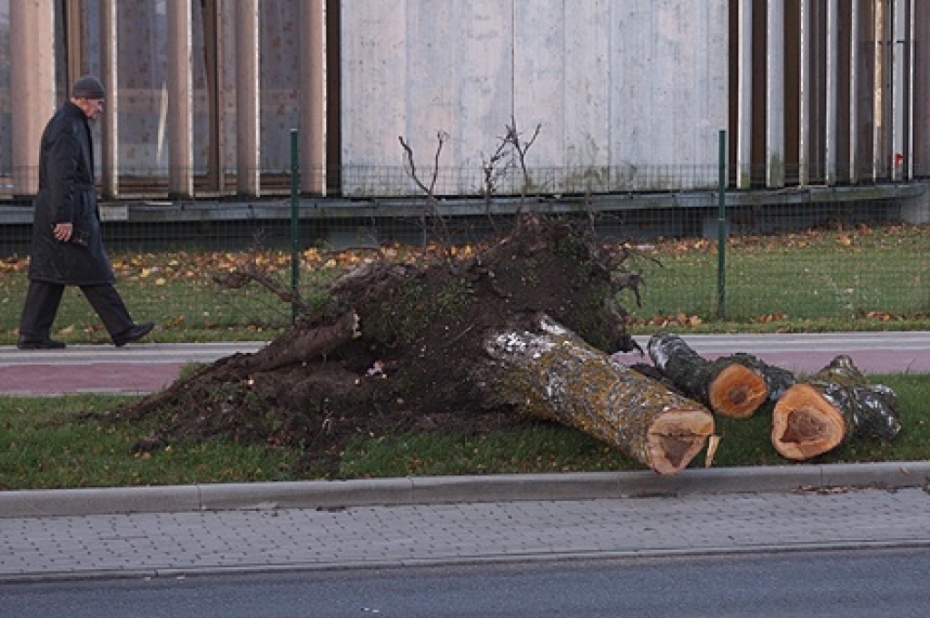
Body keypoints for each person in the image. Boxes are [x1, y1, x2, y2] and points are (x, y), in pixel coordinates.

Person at [17, 75, 154, 350]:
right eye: (97, 102)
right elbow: (61, 175)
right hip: (70, 213)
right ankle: (122, 328)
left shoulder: (70, 123)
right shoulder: (68, 128)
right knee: (92, 269)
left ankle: (32, 334)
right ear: (81, 99)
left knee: (49, 274)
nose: (100, 108)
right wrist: (64, 217)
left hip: (64, 210)